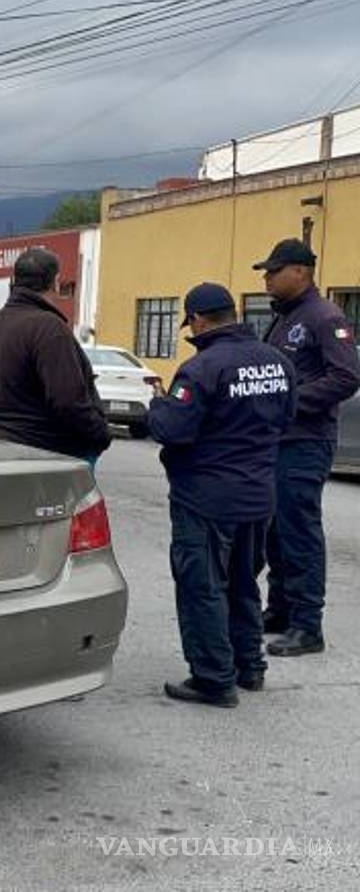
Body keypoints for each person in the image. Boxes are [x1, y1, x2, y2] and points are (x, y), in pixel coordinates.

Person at [149, 284, 296, 708]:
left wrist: (159, 403)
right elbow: (286, 420)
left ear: (197, 319)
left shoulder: (202, 369)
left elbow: (172, 429)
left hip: (206, 498)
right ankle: (249, 666)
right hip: (257, 495)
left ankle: (213, 677)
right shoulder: (278, 362)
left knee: (202, 585)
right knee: (243, 583)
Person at [255, 239, 360, 657]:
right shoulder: (285, 317)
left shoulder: (324, 316)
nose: (266, 278)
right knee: (276, 531)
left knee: (300, 531)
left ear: (300, 271)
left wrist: (291, 403)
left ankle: (307, 625)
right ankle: (280, 609)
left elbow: (346, 376)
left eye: (273, 271)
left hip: (305, 441)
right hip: (277, 441)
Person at [0, 248, 110, 463]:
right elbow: (69, 400)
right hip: (47, 452)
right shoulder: (49, 328)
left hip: (3, 444)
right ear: (55, 282)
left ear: (15, 280)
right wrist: (101, 435)